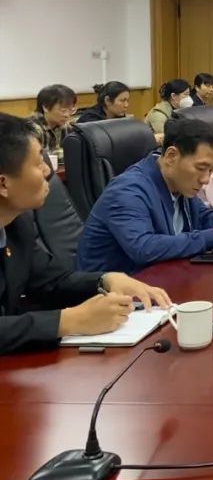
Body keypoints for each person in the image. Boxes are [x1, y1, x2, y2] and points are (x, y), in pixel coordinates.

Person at [0, 114, 171, 353]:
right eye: (38, 162)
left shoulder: (18, 224)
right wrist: (68, 321)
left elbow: (50, 282)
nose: (48, 170)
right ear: (3, 184)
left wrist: (105, 280)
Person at [76, 119, 213, 274]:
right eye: (201, 168)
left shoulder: (178, 182)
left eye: (211, 170)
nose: (206, 179)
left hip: (162, 279)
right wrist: (212, 237)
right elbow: (143, 247)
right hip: (113, 294)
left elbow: (201, 217)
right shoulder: (127, 191)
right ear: (171, 156)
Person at [29, 84, 76, 152]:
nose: (67, 115)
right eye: (63, 110)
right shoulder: (31, 129)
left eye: (71, 110)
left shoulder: (66, 127)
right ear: (46, 107)